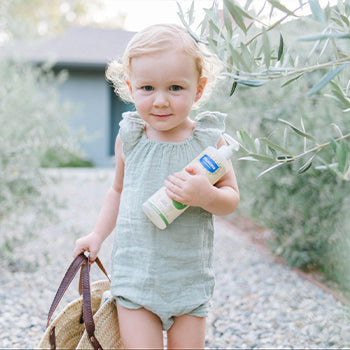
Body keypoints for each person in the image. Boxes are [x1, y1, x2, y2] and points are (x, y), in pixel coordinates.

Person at [73, 23, 239, 349]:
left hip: (188, 280)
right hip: (136, 279)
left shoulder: (209, 142)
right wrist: (96, 235)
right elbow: (117, 191)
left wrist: (206, 195)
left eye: (175, 88)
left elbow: (231, 198)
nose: (160, 101)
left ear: (199, 88)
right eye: (147, 88)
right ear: (130, 87)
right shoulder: (131, 138)